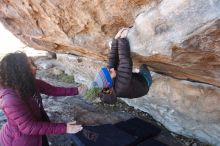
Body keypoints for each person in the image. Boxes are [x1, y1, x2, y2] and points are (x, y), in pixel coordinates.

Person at [0, 52, 86, 146]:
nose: (35, 68)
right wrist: (65, 128)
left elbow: (53, 90)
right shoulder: (10, 99)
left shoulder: (27, 82)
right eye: (28, 67)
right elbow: (29, 127)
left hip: (37, 133)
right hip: (21, 141)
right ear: (17, 72)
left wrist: (77, 90)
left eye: (32, 64)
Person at [91, 28, 152, 104]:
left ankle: (132, 76)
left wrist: (116, 40)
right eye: (109, 72)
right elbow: (125, 62)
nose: (110, 69)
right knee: (143, 66)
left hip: (132, 81)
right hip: (144, 84)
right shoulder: (121, 87)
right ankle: (147, 77)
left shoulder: (107, 85)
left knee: (120, 70)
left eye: (107, 70)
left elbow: (112, 59)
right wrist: (122, 39)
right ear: (110, 81)